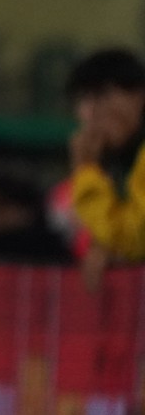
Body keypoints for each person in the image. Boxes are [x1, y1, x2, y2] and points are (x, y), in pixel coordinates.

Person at [65, 48, 145, 291]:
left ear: (139, 95)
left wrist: (86, 172)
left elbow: (134, 240)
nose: (87, 114)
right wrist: (106, 247)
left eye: (100, 95)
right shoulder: (124, 161)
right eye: (83, 101)